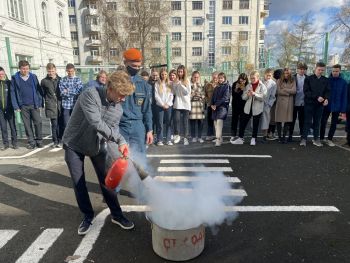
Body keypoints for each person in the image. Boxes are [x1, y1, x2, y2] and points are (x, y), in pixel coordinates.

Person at [62, 70, 135, 235]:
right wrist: (120, 140)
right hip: (74, 143)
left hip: (96, 145)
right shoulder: (90, 94)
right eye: (121, 94)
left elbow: (112, 133)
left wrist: (120, 153)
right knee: (79, 182)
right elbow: (96, 122)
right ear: (110, 88)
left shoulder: (118, 109)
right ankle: (87, 216)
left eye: (125, 96)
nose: (123, 99)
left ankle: (117, 215)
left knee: (107, 181)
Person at [119, 48, 153, 154]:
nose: (137, 68)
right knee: (119, 160)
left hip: (138, 126)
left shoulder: (143, 84)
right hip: (120, 126)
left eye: (139, 66)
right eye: (134, 66)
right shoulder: (117, 81)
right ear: (125, 63)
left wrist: (149, 130)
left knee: (140, 160)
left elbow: (147, 109)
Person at [11, 60, 43, 149]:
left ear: (29, 68)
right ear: (19, 69)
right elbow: (13, 92)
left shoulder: (33, 77)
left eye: (27, 69)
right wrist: (16, 106)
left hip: (34, 104)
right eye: (23, 69)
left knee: (38, 122)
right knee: (27, 125)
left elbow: (38, 90)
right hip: (23, 106)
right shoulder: (15, 78)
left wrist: (40, 102)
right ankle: (31, 142)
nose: (25, 71)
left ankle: (39, 140)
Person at [232, 71, 267, 146]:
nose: (252, 80)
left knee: (255, 124)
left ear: (258, 77)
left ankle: (253, 138)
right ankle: (240, 138)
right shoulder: (248, 85)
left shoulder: (262, 86)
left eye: (253, 78)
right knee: (243, 123)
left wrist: (255, 94)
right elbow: (243, 97)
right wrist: (247, 95)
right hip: (248, 107)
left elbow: (263, 97)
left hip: (257, 108)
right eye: (251, 78)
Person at [300, 62, 330, 147]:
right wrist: (316, 97)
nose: (320, 71)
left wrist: (327, 99)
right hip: (309, 104)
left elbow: (328, 91)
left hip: (320, 106)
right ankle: (304, 139)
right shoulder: (308, 79)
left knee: (317, 122)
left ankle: (316, 139)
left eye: (322, 70)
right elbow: (306, 91)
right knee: (307, 122)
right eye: (319, 69)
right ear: (315, 69)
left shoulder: (325, 80)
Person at [320, 64, 348, 146]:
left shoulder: (343, 82)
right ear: (331, 71)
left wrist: (343, 110)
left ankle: (329, 139)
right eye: (333, 71)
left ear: (340, 71)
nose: (335, 73)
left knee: (333, 124)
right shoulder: (327, 80)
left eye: (336, 71)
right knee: (323, 122)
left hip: (337, 106)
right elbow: (323, 93)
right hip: (327, 105)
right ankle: (321, 138)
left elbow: (344, 96)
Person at [41, 63, 62, 148]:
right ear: (47, 71)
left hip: (60, 105)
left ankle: (61, 140)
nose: (51, 72)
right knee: (54, 124)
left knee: (61, 124)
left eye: (52, 71)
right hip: (51, 105)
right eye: (49, 71)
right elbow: (42, 93)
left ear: (55, 70)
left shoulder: (61, 79)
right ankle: (55, 141)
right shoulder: (44, 81)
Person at [59, 63, 83, 136]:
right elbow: (62, 92)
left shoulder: (78, 80)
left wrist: (68, 90)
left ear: (74, 70)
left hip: (75, 105)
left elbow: (79, 91)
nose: (70, 73)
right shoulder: (63, 80)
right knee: (66, 124)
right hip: (66, 105)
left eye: (72, 71)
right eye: (69, 71)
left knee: (76, 123)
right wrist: (72, 90)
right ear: (66, 71)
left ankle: (75, 139)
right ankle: (68, 139)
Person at [275, 68, 296, 143]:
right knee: (279, 120)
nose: (286, 75)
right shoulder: (279, 80)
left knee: (287, 120)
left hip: (289, 103)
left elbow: (294, 90)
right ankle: (280, 137)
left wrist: (284, 89)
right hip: (280, 102)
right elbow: (277, 91)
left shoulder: (293, 80)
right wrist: (288, 92)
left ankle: (284, 137)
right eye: (284, 73)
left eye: (288, 73)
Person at [172, 65, 191, 145]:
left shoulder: (187, 80)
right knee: (176, 120)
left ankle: (186, 138)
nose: (180, 73)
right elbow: (174, 92)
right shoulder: (175, 81)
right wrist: (176, 84)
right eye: (178, 71)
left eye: (181, 72)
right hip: (178, 103)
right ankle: (177, 135)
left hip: (186, 104)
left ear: (184, 72)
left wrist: (181, 85)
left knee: (185, 122)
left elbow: (187, 92)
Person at [154, 68, 173, 146]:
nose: (164, 76)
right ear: (160, 75)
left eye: (165, 74)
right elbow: (156, 96)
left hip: (169, 106)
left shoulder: (170, 83)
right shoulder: (157, 84)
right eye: (162, 74)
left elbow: (171, 95)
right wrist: (162, 104)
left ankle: (168, 139)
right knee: (160, 123)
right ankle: (160, 140)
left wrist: (167, 104)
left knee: (169, 123)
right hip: (160, 106)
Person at [289, 62, 308, 141]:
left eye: (304, 69)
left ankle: (302, 136)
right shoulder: (292, 77)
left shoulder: (307, 78)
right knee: (292, 120)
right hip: (293, 102)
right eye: (300, 69)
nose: (302, 71)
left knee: (302, 120)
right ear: (297, 69)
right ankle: (290, 135)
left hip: (303, 102)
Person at [0, 67, 17, 150]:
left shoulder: (9, 83)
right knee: (3, 127)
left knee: (12, 126)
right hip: (0, 110)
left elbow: (13, 95)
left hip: (9, 108)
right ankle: (5, 144)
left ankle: (14, 143)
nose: (1, 76)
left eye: (2, 74)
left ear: (4, 73)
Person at [211, 72, 230, 146]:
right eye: (219, 78)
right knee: (215, 123)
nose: (220, 79)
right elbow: (213, 97)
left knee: (219, 123)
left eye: (221, 78)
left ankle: (218, 139)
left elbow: (225, 98)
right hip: (215, 108)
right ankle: (220, 137)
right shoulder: (216, 87)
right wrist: (212, 104)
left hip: (222, 107)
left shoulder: (227, 86)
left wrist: (216, 104)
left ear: (224, 78)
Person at [230, 73, 249, 143]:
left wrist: (244, 89)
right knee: (234, 120)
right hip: (235, 104)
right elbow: (233, 94)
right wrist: (236, 88)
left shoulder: (247, 85)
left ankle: (241, 136)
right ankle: (233, 135)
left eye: (244, 80)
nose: (242, 82)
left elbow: (247, 95)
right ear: (239, 79)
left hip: (244, 105)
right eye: (241, 80)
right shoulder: (235, 83)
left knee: (242, 120)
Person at [260, 69, 276, 142]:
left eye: (270, 75)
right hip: (259, 103)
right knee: (257, 119)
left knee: (266, 119)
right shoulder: (260, 82)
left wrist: (269, 104)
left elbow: (273, 96)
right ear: (264, 74)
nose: (268, 77)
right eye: (267, 75)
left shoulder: (273, 84)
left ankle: (264, 135)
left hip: (267, 104)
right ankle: (254, 135)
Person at [267, 68, 283, 140]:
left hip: (274, 103)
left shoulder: (275, 82)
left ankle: (270, 133)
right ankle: (270, 133)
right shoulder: (276, 83)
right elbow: (275, 93)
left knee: (273, 119)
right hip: (274, 103)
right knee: (273, 119)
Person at [189, 71, 205, 143]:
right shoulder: (189, 85)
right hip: (192, 105)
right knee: (192, 122)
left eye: (197, 77)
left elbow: (204, 95)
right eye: (194, 77)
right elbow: (188, 95)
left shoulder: (202, 85)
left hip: (200, 105)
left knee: (200, 122)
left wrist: (200, 96)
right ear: (192, 77)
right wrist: (193, 94)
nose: (196, 78)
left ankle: (200, 137)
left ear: (199, 77)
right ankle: (193, 137)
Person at [204, 71, 218, 141]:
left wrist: (215, 88)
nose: (215, 78)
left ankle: (217, 136)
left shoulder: (220, 85)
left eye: (216, 77)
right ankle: (209, 135)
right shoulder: (208, 85)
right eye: (213, 77)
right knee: (210, 121)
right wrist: (207, 101)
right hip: (210, 105)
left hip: (217, 106)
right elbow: (205, 94)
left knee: (217, 121)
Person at [148, 69, 159, 140]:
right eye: (153, 75)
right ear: (151, 75)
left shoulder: (160, 83)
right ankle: (151, 136)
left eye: (156, 75)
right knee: (151, 120)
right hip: (150, 105)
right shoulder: (148, 83)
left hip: (158, 104)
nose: (155, 77)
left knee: (157, 121)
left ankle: (158, 137)